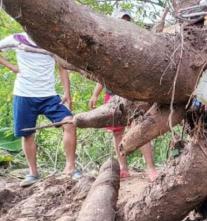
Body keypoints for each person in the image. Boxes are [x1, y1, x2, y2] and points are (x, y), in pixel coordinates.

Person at [0, 33, 80, 187]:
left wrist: (67, 94)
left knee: (69, 123)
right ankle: (33, 173)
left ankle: (70, 168)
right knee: (26, 133)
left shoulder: (51, 40)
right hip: (24, 94)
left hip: (49, 95)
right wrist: (12, 67)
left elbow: (62, 67)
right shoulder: (17, 39)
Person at [88, 10, 158, 181]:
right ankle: (123, 168)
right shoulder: (106, 45)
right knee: (117, 133)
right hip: (112, 95)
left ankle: (150, 168)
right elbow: (102, 75)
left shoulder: (137, 42)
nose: (125, 23)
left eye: (127, 20)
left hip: (134, 95)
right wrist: (95, 95)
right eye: (121, 20)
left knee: (139, 129)